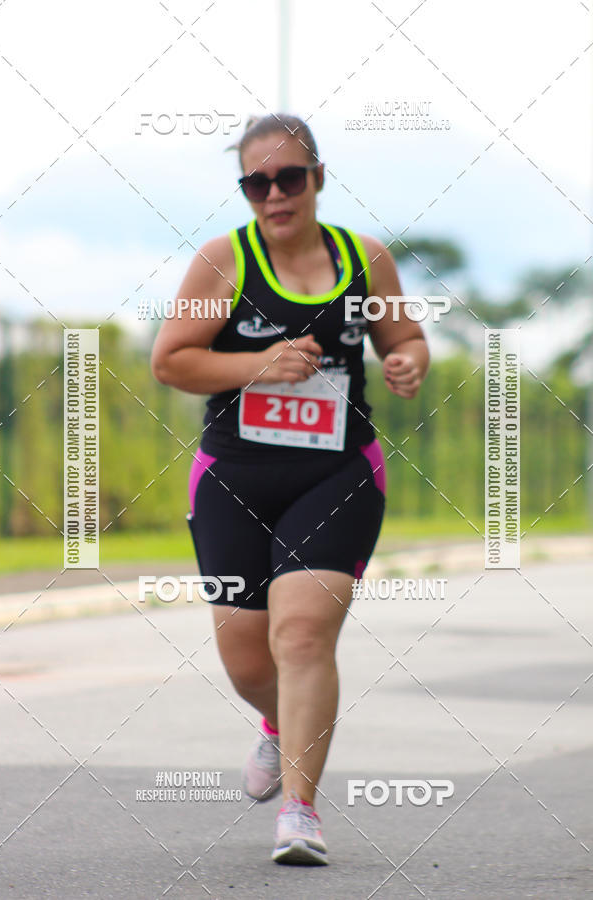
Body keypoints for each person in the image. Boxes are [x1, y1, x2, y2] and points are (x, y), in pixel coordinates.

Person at [151, 113, 429, 866]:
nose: (274, 194)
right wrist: (257, 365)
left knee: (302, 633)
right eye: (256, 182)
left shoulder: (364, 258)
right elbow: (172, 362)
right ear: (245, 191)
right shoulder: (224, 262)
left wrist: (410, 362)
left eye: (289, 177)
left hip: (337, 472)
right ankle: (280, 728)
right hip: (235, 476)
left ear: (317, 179)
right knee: (248, 659)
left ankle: (299, 813)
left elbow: (402, 338)